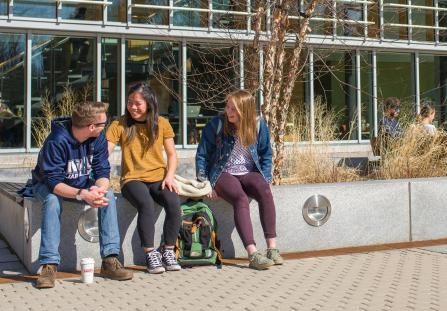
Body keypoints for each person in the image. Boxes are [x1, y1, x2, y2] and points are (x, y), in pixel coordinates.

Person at [31, 101, 133, 289]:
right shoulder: (57, 141)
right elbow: (54, 184)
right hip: (47, 185)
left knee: (108, 195)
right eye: (104, 123)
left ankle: (110, 260)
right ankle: (49, 265)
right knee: (52, 200)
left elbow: (102, 171)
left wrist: (98, 189)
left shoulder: (98, 139)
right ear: (91, 126)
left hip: (80, 185)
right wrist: (82, 194)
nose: (106, 127)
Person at [195, 89, 283, 270]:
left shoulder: (258, 125)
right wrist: (205, 183)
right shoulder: (216, 124)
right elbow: (202, 155)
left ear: (245, 109)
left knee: (265, 191)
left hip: (249, 172)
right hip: (222, 173)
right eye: (228, 107)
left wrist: (266, 178)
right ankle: (252, 253)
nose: (229, 112)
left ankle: (272, 249)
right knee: (240, 198)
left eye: (233, 109)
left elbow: (266, 154)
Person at [106, 82, 182, 274]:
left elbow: (172, 155)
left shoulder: (162, 123)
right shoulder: (119, 124)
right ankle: (150, 253)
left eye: (137, 103)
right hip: (132, 179)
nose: (133, 107)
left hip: (159, 177)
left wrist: (170, 176)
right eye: (130, 102)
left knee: (173, 202)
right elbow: (104, 152)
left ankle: (168, 250)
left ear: (149, 103)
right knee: (146, 204)